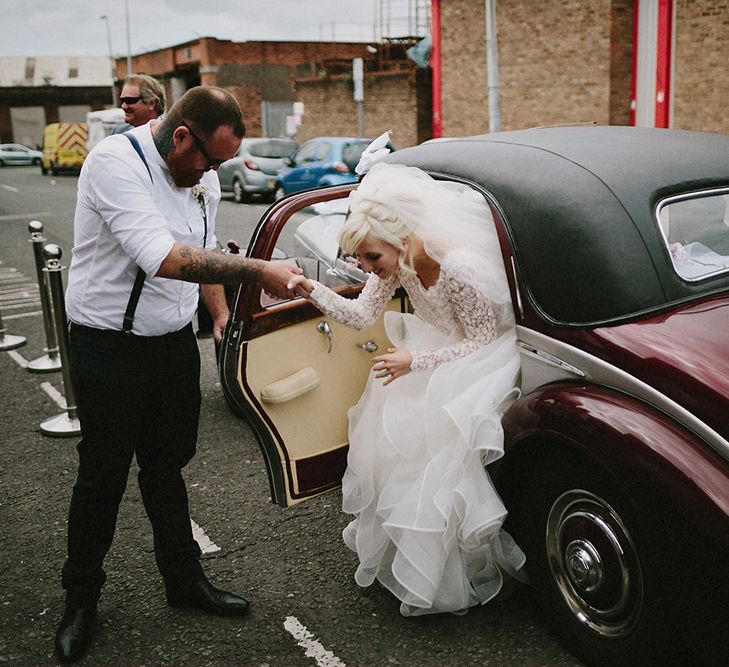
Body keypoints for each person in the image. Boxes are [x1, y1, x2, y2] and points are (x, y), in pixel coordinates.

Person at [54, 85, 302, 663]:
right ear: (181, 134)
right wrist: (260, 270)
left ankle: (183, 581)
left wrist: (219, 316)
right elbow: (163, 256)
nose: (211, 172)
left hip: (170, 347)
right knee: (102, 477)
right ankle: (80, 600)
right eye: (207, 159)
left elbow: (204, 252)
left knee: (167, 467)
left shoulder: (202, 177)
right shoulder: (116, 163)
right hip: (108, 347)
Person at [287, 161, 527, 617]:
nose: (369, 268)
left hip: (483, 361)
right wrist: (309, 288)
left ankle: (459, 568)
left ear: (401, 240)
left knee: (440, 453)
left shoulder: (459, 266)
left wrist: (415, 361)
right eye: (362, 261)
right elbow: (359, 316)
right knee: (395, 449)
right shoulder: (394, 268)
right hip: (435, 354)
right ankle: (415, 564)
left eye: (373, 258)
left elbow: (482, 341)